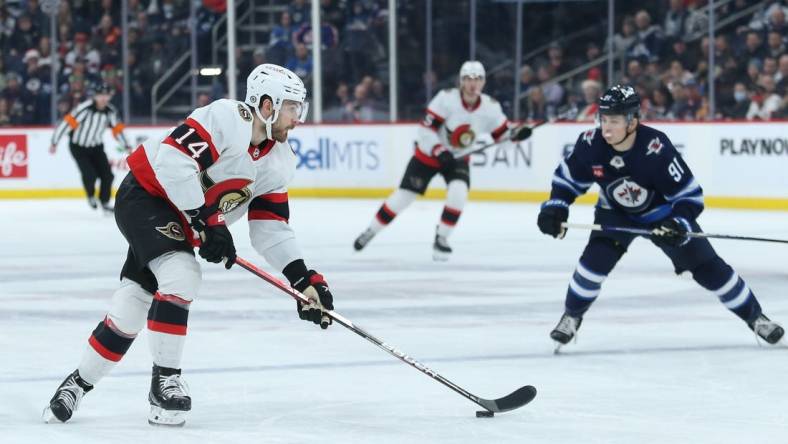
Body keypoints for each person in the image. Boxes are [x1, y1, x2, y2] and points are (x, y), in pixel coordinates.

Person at [43, 64, 335, 426]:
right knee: (181, 274)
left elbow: (270, 228)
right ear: (266, 104)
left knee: (132, 307)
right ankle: (164, 380)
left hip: (182, 219)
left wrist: (302, 279)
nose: (298, 118)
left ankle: (77, 383)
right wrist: (208, 222)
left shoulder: (279, 161)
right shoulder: (227, 117)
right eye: (292, 107)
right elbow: (172, 160)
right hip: (147, 195)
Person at [536, 84, 784, 351]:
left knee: (709, 269)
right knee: (592, 266)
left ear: (632, 121)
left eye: (615, 121)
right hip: (615, 214)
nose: (606, 128)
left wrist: (678, 223)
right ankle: (571, 316)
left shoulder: (656, 148)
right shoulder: (590, 144)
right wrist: (557, 206)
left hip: (662, 215)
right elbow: (567, 180)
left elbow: (690, 196)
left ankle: (756, 318)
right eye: (603, 119)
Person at [352, 61, 529, 260]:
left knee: (458, 194)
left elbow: (503, 139)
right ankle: (371, 231)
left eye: (478, 79)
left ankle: (442, 238)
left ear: (483, 82)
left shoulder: (491, 108)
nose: (473, 84)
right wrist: (438, 150)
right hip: (428, 155)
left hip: (458, 158)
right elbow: (425, 130)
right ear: (461, 82)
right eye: (468, 79)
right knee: (403, 197)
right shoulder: (446, 99)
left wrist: (516, 137)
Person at [50, 83, 130, 213]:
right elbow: (67, 124)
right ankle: (91, 195)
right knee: (89, 174)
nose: (103, 98)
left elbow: (117, 129)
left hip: (96, 146)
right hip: (78, 147)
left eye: (106, 95)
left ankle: (104, 202)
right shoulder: (84, 109)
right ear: (95, 96)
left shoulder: (110, 111)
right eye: (100, 95)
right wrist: (55, 142)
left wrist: (127, 145)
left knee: (108, 175)